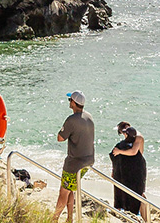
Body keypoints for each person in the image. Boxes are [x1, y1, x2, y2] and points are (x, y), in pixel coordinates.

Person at [52, 91, 95, 222]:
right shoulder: (89, 117)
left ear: (74, 103)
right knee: (71, 189)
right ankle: (69, 218)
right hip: (88, 161)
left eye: (70, 100)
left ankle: (54, 219)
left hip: (74, 163)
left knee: (63, 192)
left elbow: (60, 138)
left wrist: (63, 129)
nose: (69, 102)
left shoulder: (71, 120)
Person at [109, 123, 148, 221]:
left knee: (140, 194)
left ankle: (146, 219)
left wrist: (119, 151)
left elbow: (134, 152)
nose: (122, 135)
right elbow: (116, 159)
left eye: (121, 132)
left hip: (138, 168)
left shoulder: (138, 136)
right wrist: (114, 170)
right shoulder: (128, 140)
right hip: (130, 167)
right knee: (122, 191)